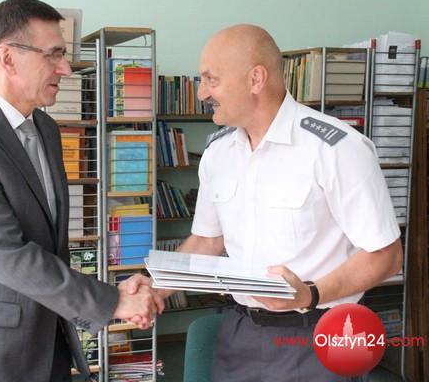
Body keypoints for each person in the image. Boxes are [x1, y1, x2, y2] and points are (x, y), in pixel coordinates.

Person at [0, 0, 163, 382]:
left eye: (63, 55)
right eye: (53, 55)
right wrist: (113, 301)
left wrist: (111, 296)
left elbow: (48, 245)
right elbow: (6, 253)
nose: (65, 68)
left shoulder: (47, 129)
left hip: (48, 343)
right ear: (8, 58)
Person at [159, 24, 403, 381]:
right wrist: (156, 288)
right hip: (241, 333)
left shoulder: (336, 148)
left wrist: (309, 294)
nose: (201, 93)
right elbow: (207, 241)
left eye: (211, 80)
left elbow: (385, 255)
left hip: (318, 332)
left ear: (255, 79)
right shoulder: (218, 152)